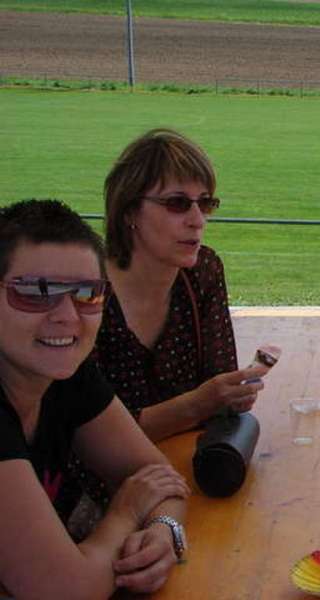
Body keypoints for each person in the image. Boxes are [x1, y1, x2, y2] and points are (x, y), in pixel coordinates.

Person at [0, 199, 189, 599]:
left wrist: (162, 533)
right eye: (36, 291)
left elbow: (158, 476)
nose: (67, 316)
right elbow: (66, 589)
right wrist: (125, 513)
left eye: (87, 292)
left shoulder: (61, 373)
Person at [97, 128, 269, 441]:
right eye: (177, 203)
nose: (197, 220)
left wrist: (232, 393)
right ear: (129, 210)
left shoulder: (203, 271)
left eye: (205, 203)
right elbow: (90, 438)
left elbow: (219, 390)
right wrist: (199, 404)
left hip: (183, 461)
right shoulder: (85, 292)